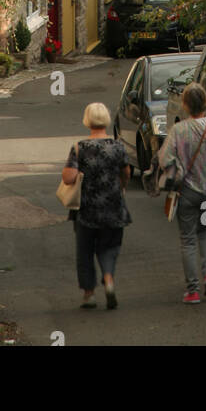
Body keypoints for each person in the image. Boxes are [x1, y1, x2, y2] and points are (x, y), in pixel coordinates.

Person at [158, 82, 206, 304]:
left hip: (187, 193)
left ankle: (192, 290)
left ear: (185, 104)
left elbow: (164, 159)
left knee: (188, 239)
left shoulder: (178, 130)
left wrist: (177, 168)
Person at [62, 102, 131, 309]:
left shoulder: (79, 148)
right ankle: (108, 278)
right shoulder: (117, 146)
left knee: (85, 250)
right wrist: (121, 186)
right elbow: (126, 173)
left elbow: (68, 178)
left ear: (87, 120)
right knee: (109, 246)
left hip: (86, 209)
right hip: (113, 206)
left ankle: (89, 294)